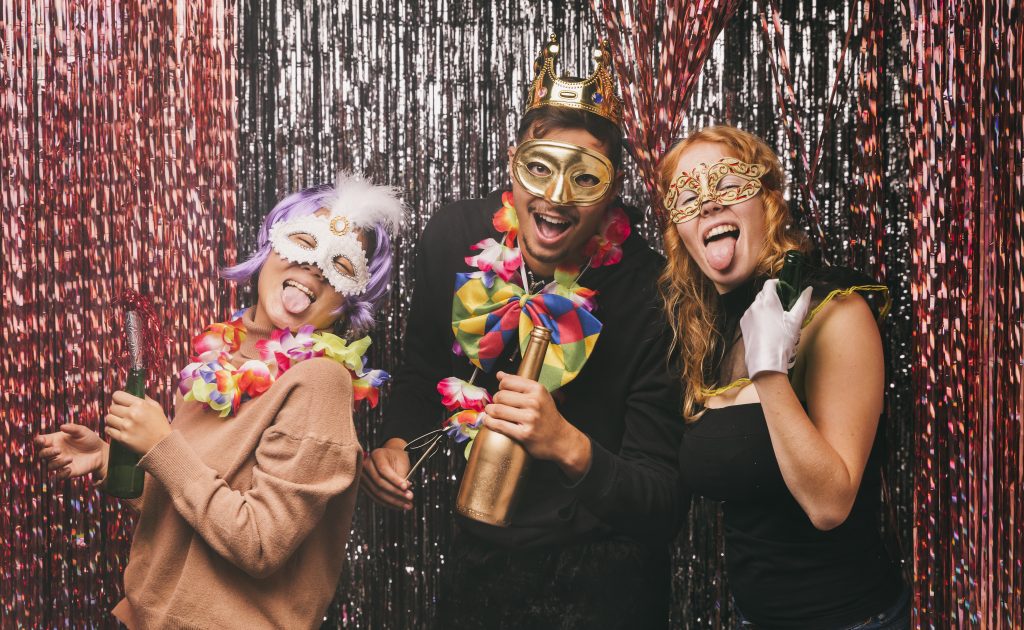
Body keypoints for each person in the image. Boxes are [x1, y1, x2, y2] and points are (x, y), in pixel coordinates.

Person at [360, 35, 685, 629]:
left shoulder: (653, 288)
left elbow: (663, 503)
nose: (555, 198)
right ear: (515, 160)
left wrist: (566, 442)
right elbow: (421, 369)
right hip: (481, 563)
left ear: (614, 189)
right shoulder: (454, 236)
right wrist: (396, 444)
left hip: (609, 578)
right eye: (540, 168)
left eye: (584, 176)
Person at [34, 174, 403, 629]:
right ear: (270, 247)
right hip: (139, 616)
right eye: (305, 241)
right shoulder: (223, 358)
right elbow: (193, 504)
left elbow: (260, 544)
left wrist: (161, 445)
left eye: (342, 265)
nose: (316, 268)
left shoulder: (320, 382)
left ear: (351, 302)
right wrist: (112, 463)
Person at [658, 125, 909, 628]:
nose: (707, 205)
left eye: (728, 186)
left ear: (768, 199)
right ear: (679, 231)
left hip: (851, 620)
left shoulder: (837, 315)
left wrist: (769, 372)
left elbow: (829, 504)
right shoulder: (710, 332)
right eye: (687, 197)